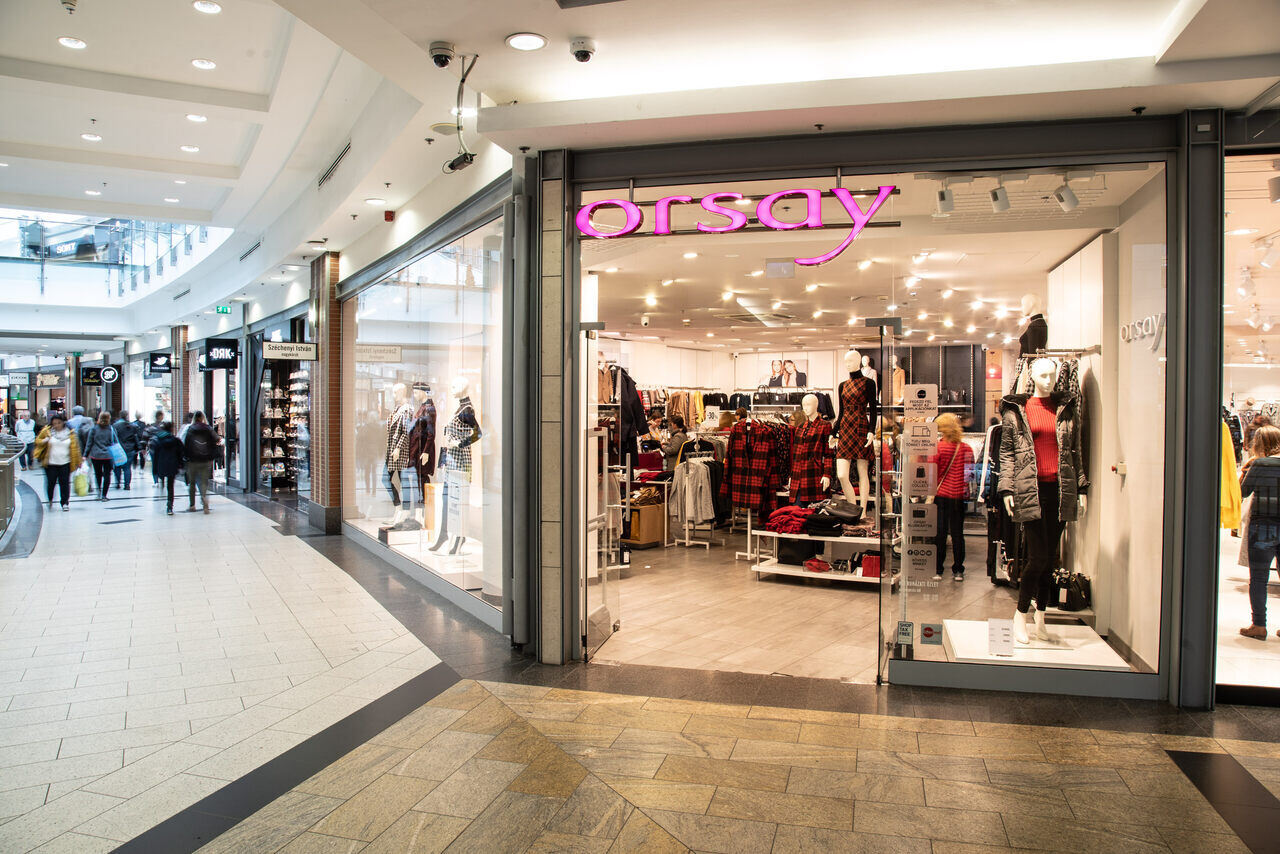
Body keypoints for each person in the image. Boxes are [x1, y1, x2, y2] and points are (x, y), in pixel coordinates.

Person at [1240, 425, 1280, 640]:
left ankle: (1259, 625)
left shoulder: (1260, 464)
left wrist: (1246, 472)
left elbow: (1243, 492)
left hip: (1263, 526)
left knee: (1258, 578)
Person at [931, 412, 975, 581]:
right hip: (958, 496)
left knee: (940, 533)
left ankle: (938, 569)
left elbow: (932, 472)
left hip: (941, 495)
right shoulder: (966, 448)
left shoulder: (938, 447)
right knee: (958, 534)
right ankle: (958, 570)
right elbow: (970, 475)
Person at [33, 412, 80, 512]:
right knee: (51, 483)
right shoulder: (47, 431)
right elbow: (37, 441)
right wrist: (44, 440)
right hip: (50, 463)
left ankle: (65, 503)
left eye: (59, 423)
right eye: (54, 423)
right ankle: (50, 499)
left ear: (63, 422)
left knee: (65, 483)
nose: (56, 425)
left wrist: (78, 461)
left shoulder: (70, 433)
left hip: (65, 462)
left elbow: (75, 448)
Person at [182, 411, 220, 513]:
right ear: (203, 418)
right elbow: (217, 439)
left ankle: (192, 505)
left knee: (192, 483)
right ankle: (204, 501)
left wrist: (185, 457)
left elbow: (184, 443)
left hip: (192, 460)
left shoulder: (190, 428)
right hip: (205, 460)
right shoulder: (208, 428)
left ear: (194, 418)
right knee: (203, 482)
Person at [149, 421, 185, 515]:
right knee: (170, 486)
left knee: (163, 481)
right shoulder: (176, 440)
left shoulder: (157, 440)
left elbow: (155, 456)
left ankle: (161, 491)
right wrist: (181, 465)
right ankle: (169, 507)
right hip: (172, 465)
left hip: (161, 465)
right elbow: (181, 453)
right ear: (171, 429)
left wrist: (154, 469)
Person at [81, 411, 119, 501]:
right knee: (107, 475)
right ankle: (104, 495)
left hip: (96, 455)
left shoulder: (94, 429)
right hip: (108, 455)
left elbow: (89, 443)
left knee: (98, 474)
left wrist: (85, 455)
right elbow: (116, 442)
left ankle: (98, 492)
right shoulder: (111, 429)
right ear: (109, 419)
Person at [111, 410, 140, 491]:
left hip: (119, 450)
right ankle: (127, 485)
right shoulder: (133, 426)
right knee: (127, 468)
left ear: (120, 415)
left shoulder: (115, 426)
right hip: (130, 449)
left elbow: (113, 438)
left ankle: (118, 483)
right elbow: (136, 437)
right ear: (127, 416)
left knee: (117, 466)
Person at [143, 411, 164, 484]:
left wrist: (143, 448)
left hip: (153, 448)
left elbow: (144, 437)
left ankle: (156, 480)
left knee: (154, 464)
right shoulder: (164, 427)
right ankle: (161, 478)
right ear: (161, 417)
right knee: (161, 463)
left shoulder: (150, 427)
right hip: (162, 448)